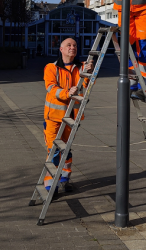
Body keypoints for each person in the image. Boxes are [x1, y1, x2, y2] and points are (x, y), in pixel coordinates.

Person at [43, 38, 93, 193]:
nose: (73, 48)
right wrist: (67, 93)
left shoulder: (82, 67)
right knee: (54, 150)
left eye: (75, 46)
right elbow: (51, 88)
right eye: (69, 45)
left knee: (67, 149)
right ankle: (51, 184)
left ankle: (65, 178)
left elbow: (87, 86)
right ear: (61, 49)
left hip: (72, 117)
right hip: (54, 118)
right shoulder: (51, 67)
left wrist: (91, 74)